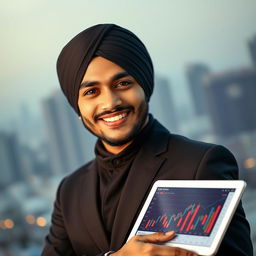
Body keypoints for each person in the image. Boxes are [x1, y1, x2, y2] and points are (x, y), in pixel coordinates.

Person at [42, 24, 253, 256]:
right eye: (91, 91)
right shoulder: (70, 192)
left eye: (122, 84)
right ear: (77, 106)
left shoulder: (197, 165)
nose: (110, 102)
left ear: (145, 87)